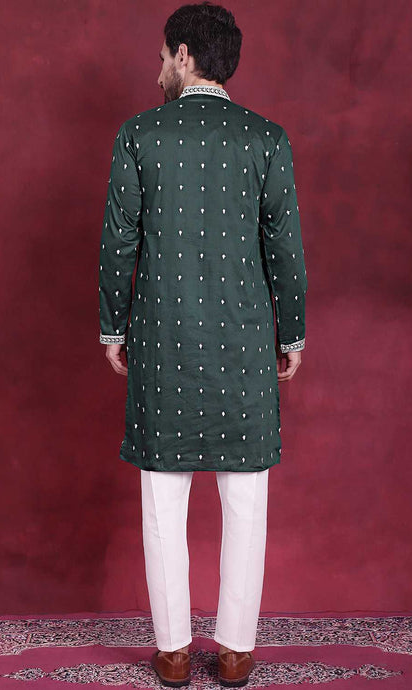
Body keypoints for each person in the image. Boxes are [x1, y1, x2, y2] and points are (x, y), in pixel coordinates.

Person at [98, 2, 308, 686]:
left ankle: (173, 652)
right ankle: (237, 651)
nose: (159, 68)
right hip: (244, 347)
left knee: (163, 501)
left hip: (162, 343)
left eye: (164, 55)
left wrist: (113, 328)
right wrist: (292, 333)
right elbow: (285, 252)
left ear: (185, 55)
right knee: (246, 500)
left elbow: (118, 245)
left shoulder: (139, 135)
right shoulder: (266, 139)